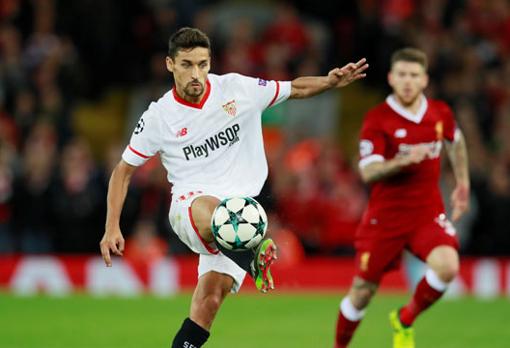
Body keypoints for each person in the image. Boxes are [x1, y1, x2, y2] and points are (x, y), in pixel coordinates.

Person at [99, 27, 368, 348]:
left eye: (202, 64)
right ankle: (252, 251)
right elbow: (123, 170)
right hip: (192, 209)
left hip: (241, 215)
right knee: (217, 210)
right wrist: (111, 225)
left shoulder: (237, 89)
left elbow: (293, 88)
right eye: (187, 65)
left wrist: (330, 81)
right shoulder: (159, 116)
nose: (196, 73)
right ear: (170, 65)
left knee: (208, 303)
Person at [334, 47, 469, 348]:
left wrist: (462, 184)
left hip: (426, 214)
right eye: (403, 75)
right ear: (392, 78)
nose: (408, 81)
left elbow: (456, 142)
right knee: (362, 292)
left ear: (424, 80)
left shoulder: (439, 113)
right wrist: (402, 161)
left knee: (448, 266)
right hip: (386, 218)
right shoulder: (378, 119)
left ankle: (405, 318)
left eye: (414, 75)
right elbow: (368, 172)